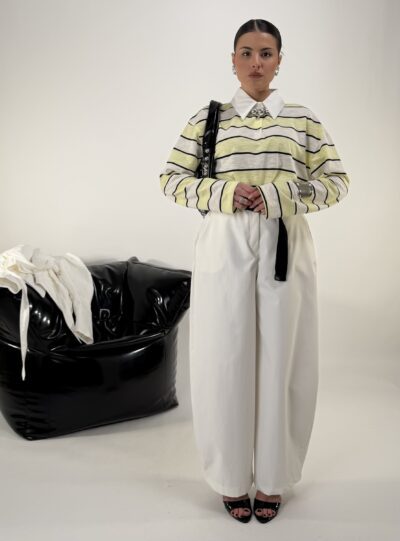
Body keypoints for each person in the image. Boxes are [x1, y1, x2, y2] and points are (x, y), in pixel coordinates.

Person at [159, 18, 349, 524]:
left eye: (266, 53)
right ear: (233, 60)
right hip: (224, 239)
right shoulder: (209, 118)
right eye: (246, 52)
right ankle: (229, 478)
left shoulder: (302, 119)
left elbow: (335, 181)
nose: (256, 63)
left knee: (282, 357)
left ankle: (272, 477)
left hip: (284, 239)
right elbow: (171, 178)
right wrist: (224, 192)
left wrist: (282, 194)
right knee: (225, 356)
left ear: (279, 60)